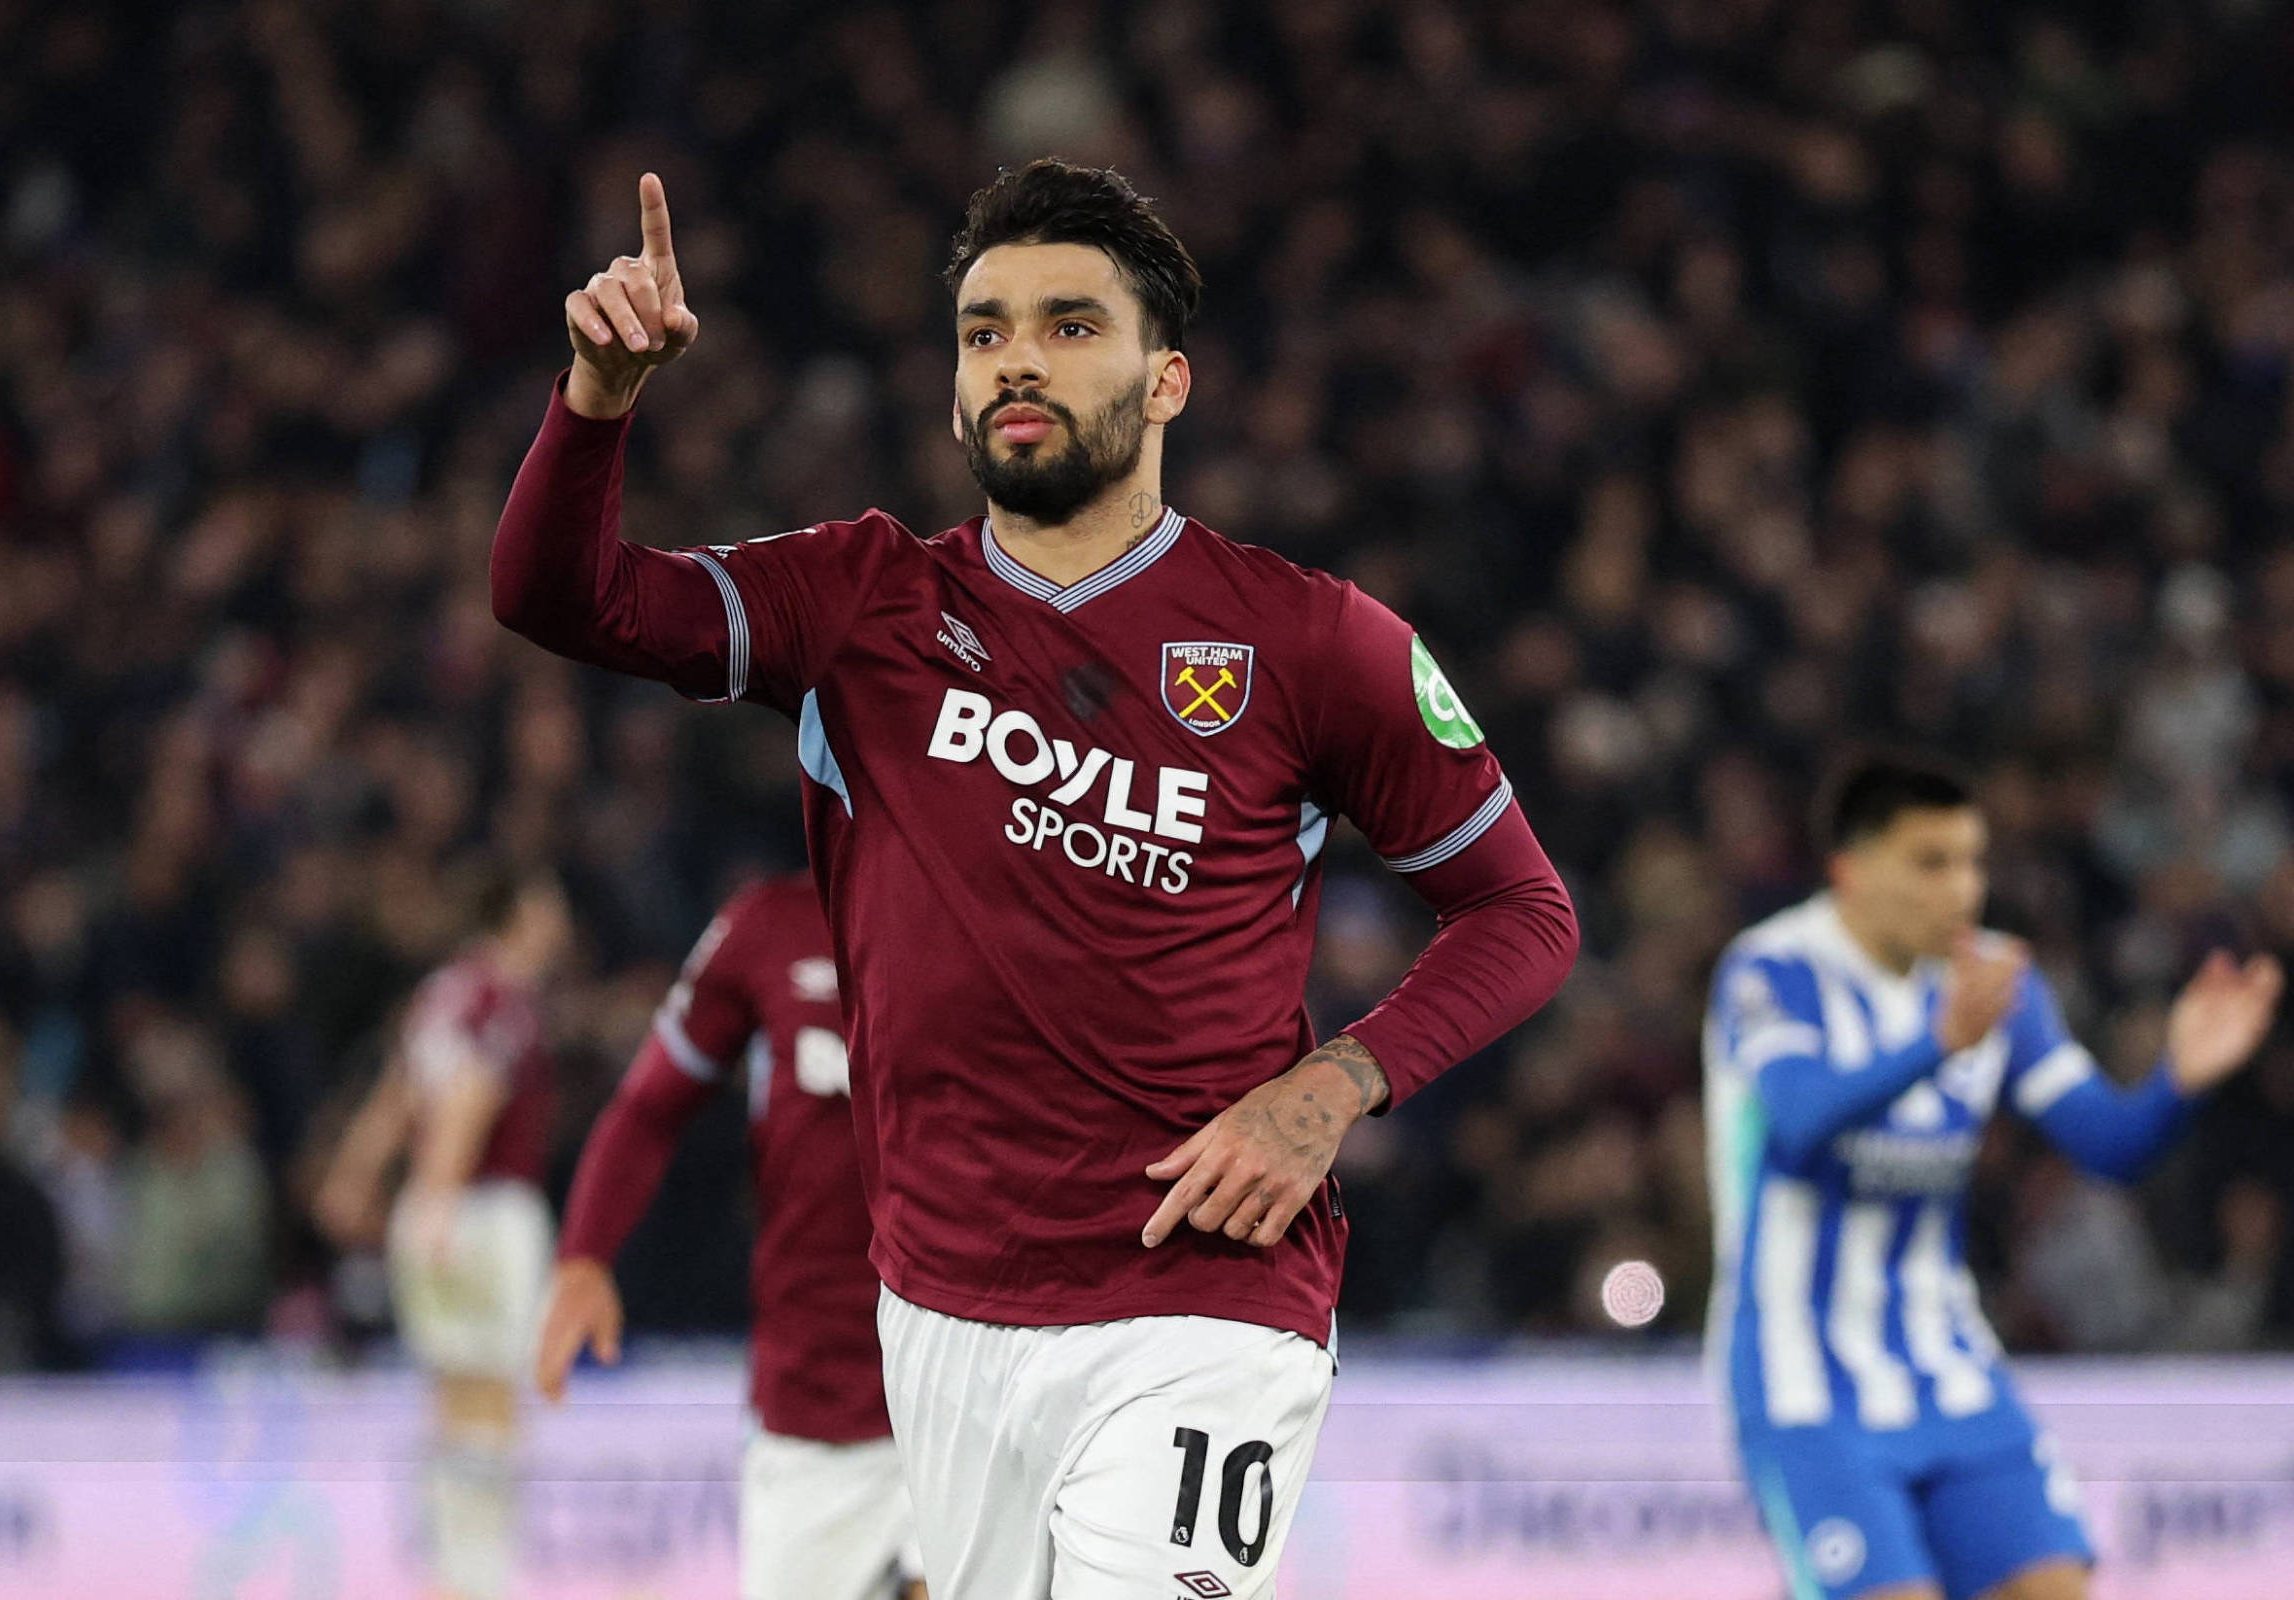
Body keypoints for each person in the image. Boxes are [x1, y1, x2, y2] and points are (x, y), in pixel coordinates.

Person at [490, 158, 1578, 1599]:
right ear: (953, 393)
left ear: (1168, 380)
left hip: (1206, 1295)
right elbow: (555, 596)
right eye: (985, 331)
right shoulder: (861, 599)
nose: (1018, 359)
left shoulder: (1313, 642)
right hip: (943, 1309)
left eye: (1071, 325)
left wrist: (1334, 1088)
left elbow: (1524, 910)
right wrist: (597, 402)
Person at [1703, 757, 2283, 1600]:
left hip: (1948, 1361)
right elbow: (1797, 1121)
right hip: (1806, 1380)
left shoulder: (1996, 981)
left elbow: (2107, 1145)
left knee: (2054, 1587)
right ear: (1851, 871)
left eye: (1972, 861)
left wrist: (2178, 1081)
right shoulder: (1772, 969)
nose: (1963, 888)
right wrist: (1936, 1043)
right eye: (1930, 863)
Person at [535, 873, 926, 1600]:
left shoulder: (1004, 909)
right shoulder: (769, 926)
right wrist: (583, 1256)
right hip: (816, 1408)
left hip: (972, 1383)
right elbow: (649, 1109)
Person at [314, 866, 571, 1600]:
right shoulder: (503, 1001)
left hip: (436, 1208)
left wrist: (355, 1177)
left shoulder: (441, 993)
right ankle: (479, 1577)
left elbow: (399, 1094)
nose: (561, 923)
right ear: (519, 915)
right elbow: (469, 1097)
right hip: (484, 1212)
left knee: (448, 1396)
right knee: (491, 1396)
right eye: (549, 908)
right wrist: (439, 1196)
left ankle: (450, 1575)